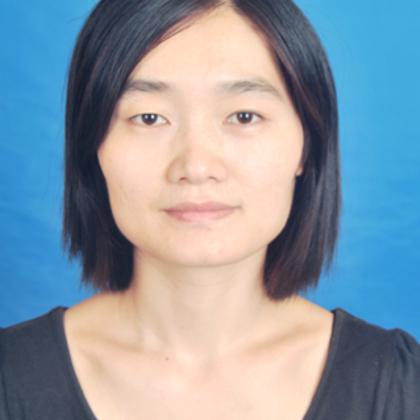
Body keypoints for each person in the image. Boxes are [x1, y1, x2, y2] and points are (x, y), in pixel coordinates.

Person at [0, 0, 419, 419]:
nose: (196, 166)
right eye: (149, 118)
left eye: (244, 116)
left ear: (307, 145)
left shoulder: (400, 385)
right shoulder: (12, 376)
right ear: (93, 147)